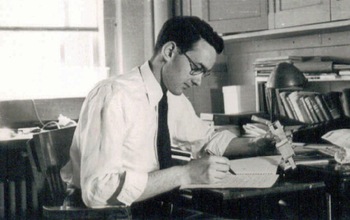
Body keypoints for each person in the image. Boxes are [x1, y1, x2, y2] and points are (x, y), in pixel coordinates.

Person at [60, 16, 275, 213]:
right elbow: (97, 191)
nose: (198, 81)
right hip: (108, 213)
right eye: (196, 68)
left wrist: (257, 145)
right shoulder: (114, 96)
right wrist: (185, 173)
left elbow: (205, 138)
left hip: (151, 207)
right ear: (170, 51)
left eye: (204, 73)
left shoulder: (173, 97)